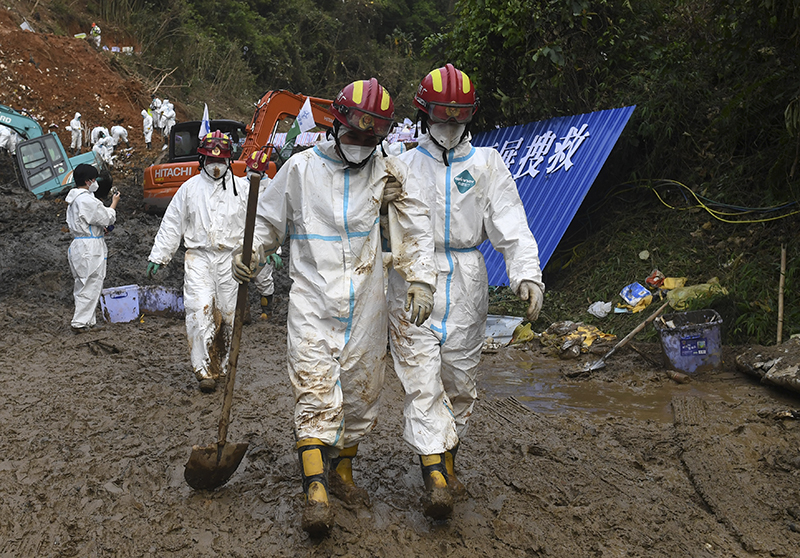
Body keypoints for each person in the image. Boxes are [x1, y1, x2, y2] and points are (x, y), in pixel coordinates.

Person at [232, 79, 437, 537]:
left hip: (367, 301)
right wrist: (252, 253)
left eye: (371, 139)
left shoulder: (388, 171)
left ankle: (342, 472)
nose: (361, 146)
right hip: (312, 299)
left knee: (363, 393)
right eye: (355, 135)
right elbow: (266, 222)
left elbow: (417, 225)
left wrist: (422, 279)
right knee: (314, 387)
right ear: (335, 125)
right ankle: (315, 490)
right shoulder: (301, 170)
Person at [386, 63, 545, 520]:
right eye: (441, 118)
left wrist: (526, 274)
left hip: (469, 278)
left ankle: (445, 461)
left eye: (458, 119)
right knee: (421, 379)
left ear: (469, 118)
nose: (450, 127)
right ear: (423, 117)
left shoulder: (486, 164)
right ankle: (435, 476)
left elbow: (510, 223)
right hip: (411, 281)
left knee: (459, 382)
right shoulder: (399, 165)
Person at [146, 130, 263, 394]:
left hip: (231, 259)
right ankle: (204, 370)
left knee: (228, 313)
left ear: (229, 160)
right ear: (202, 159)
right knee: (200, 311)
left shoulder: (243, 188)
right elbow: (172, 224)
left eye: (221, 160)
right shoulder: (189, 189)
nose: (216, 166)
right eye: (211, 160)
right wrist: (159, 255)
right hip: (198, 257)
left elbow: (257, 223)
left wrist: (264, 249)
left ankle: (222, 365)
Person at [65, 163, 120, 333]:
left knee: (82, 284)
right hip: (90, 247)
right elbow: (106, 218)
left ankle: (88, 320)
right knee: (92, 283)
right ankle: (80, 322)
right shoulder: (87, 200)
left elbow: (89, 221)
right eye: (94, 180)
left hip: (79, 243)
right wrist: (114, 204)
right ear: (89, 181)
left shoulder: (73, 200)